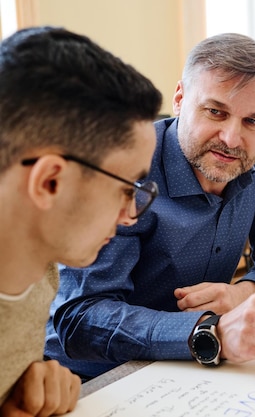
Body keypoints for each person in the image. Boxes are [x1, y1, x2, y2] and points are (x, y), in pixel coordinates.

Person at [45, 32, 255, 380]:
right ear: (180, 98)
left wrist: (244, 292)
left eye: (253, 121)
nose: (232, 139)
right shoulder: (125, 168)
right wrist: (209, 331)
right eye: (215, 112)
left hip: (194, 366)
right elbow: (80, 318)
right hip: (95, 377)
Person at [0, 26, 162, 416]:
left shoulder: (42, 273)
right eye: (126, 189)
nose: (130, 216)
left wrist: (27, 388)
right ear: (50, 181)